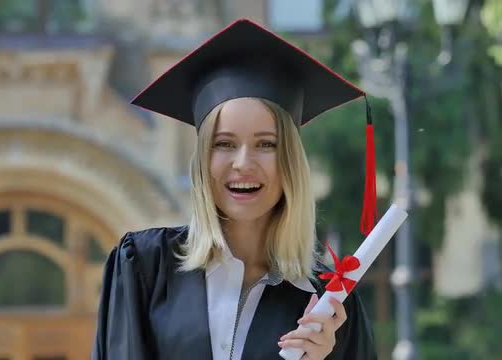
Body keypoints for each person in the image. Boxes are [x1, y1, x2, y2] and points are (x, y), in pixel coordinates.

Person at [92, 18, 378, 360]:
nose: (243, 163)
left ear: (290, 160)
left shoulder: (328, 306)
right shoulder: (143, 266)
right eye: (224, 144)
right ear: (202, 161)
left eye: (267, 145)